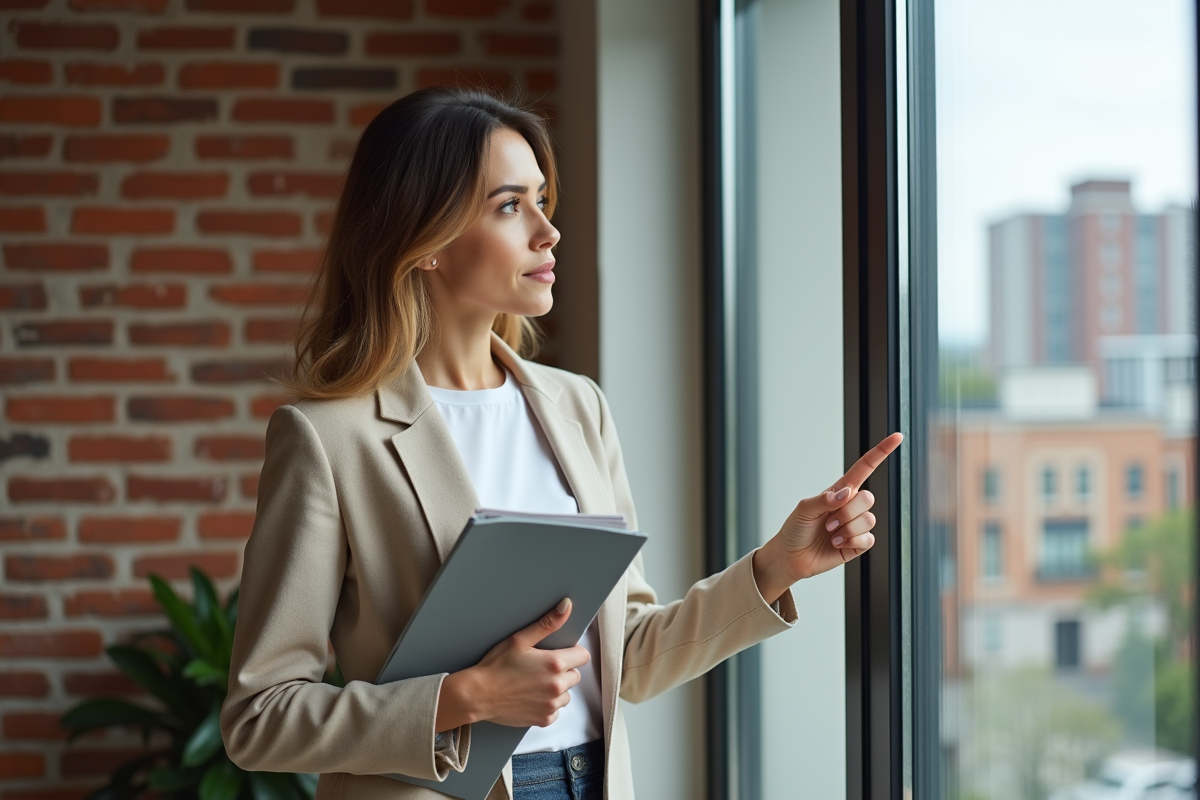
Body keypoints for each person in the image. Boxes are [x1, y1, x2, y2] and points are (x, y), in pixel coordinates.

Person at [219, 87, 901, 800]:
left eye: (543, 200)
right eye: (510, 205)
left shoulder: (577, 406)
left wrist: (774, 569)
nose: (549, 232)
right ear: (426, 240)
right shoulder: (329, 438)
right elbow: (260, 717)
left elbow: (627, 657)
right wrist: (465, 697)